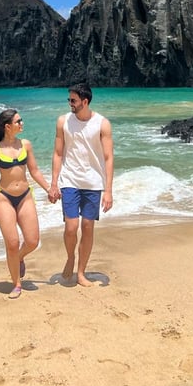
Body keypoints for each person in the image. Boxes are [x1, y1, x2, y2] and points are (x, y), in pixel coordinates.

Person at [48, 82, 114, 287]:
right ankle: (70, 257)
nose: (70, 103)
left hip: (93, 182)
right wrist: (54, 183)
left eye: (73, 100)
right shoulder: (63, 122)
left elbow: (108, 157)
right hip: (69, 180)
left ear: (85, 102)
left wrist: (108, 191)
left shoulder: (102, 123)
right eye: (69, 99)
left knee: (87, 227)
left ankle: (82, 272)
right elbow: (58, 153)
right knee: (71, 227)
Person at [0, 108, 51, 299]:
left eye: (21, 120)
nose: (22, 124)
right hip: (4, 198)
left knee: (32, 241)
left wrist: (49, 189)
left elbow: (35, 171)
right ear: (7, 126)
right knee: (12, 243)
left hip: (25, 196)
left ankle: (18, 258)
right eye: (18, 121)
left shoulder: (25, 145)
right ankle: (17, 284)